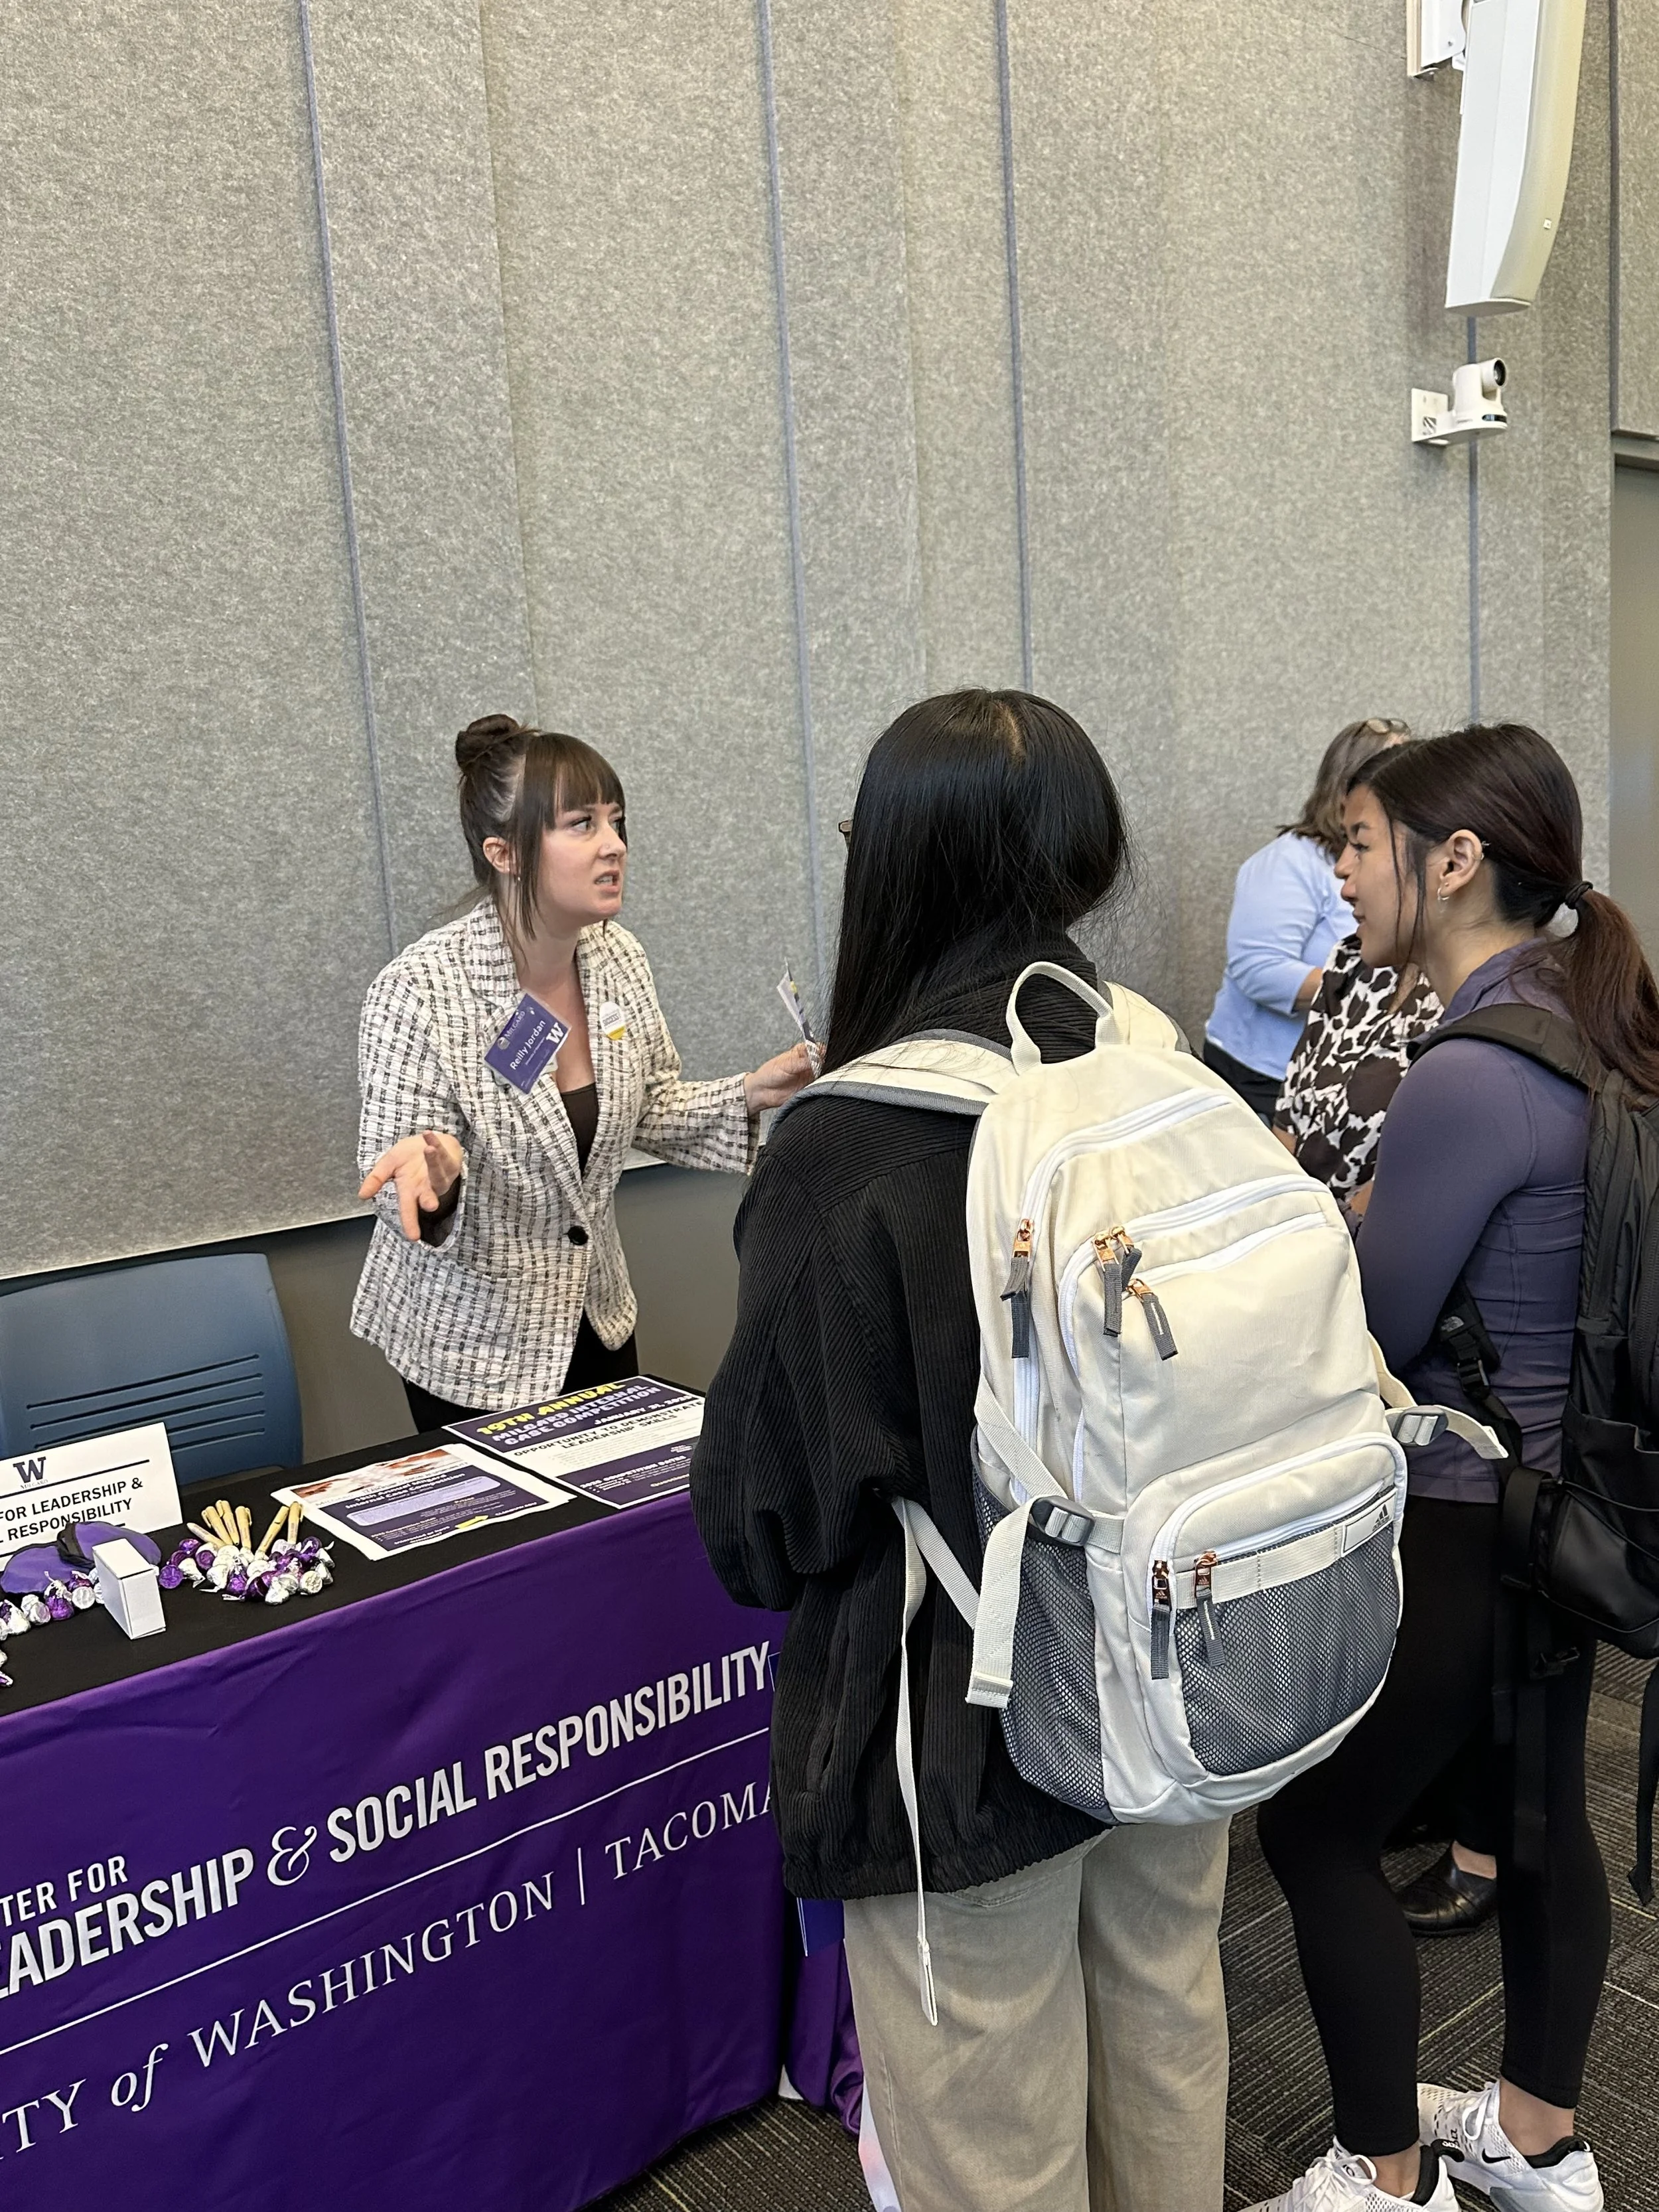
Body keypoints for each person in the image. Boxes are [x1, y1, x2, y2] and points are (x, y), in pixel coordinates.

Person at [690, 691, 1231, 2212]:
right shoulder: (1160, 1067)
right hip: (1177, 1663)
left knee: (989, 2132)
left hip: (961, 1716)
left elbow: (759, 1525)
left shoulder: (849, 1149)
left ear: (895, 865)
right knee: (1168, 2032)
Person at [1247, 723, 1657, 2212]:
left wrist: (1347, 1214)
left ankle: (1379, 2172)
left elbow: (1375, 1321)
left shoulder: (1469, 1069)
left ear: (1453, 860)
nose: (1340, 872)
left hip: (1464, 1519)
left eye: (1357, 843)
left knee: (1310, 1823)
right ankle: (1542, 2139)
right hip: (1568, 1518)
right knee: (1546, 1821)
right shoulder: (1591, 1010)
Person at [352, 714, 812, 1429]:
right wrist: (435, 1175)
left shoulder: (617, 956)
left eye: (617, 821)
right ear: (504, 853)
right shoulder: (421, 988)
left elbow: (649, 1107)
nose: (615, 846)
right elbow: (398, 1180)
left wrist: (753, 1092)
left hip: (596, 1317)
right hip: (472, 1345)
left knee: (611, 1529)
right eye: (581, 824)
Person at [1206, 717, 1410, 1120]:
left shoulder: (1399, 862)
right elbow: (1258, 969)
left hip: (1337, 1078)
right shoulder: (1290, 862)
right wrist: (1378, 991)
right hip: (1264, 1078)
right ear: (1349, 786)